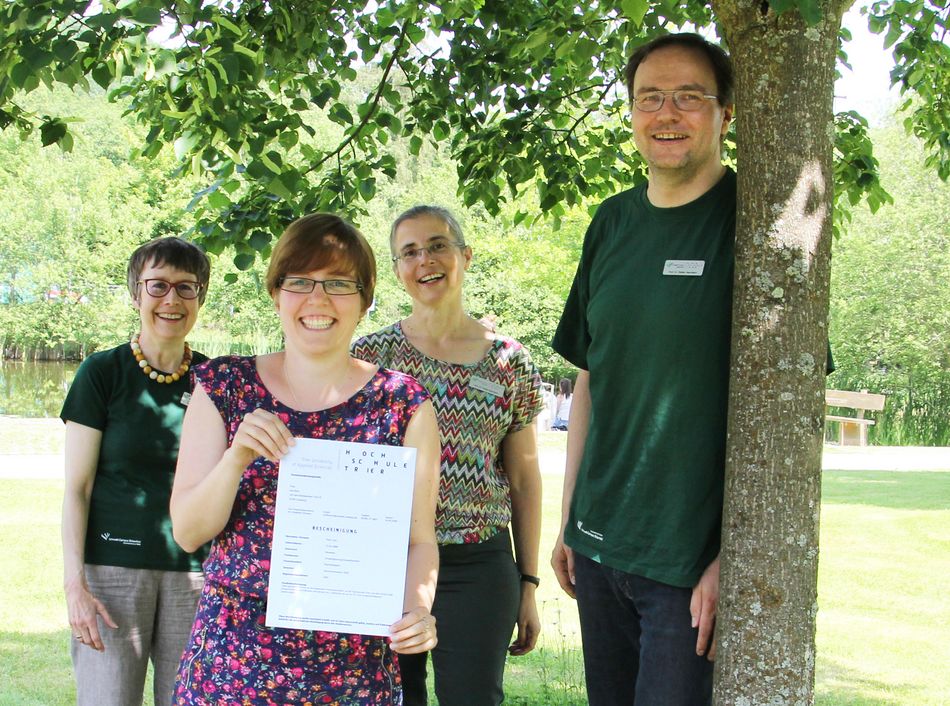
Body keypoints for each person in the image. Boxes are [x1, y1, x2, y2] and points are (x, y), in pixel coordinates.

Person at [169, 213, 441, 705]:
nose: (317, 299)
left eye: (338, 283)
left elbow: (419, 542)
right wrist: (236, 459)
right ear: (276, 293)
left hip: (354, 672)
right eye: (299, 282)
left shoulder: (403, 404)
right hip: (232, 668)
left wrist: (418, 610)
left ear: (364, 300)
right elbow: (188, 531)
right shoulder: (224, 387)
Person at [550, 33, 736, 706]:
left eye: (690, 97)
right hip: (600, 548)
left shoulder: (751, 225)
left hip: (687, 567)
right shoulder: (612, 222)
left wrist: (730, 558)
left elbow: (781, 413)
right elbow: (590, 377)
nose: (667, 112)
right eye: (650, 97)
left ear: (725, 115)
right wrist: (570, 518)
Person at [352, 205, 544, 706]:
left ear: (465, 255)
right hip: (387, 562)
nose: (425, 261)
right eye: (409, 252)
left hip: (478, 563)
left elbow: (523, 480)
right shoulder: (371, 358)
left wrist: (527, 581)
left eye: (437, 245)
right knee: (392, 699)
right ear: (397, 271)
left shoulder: (509, 361)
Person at [60, 237, 212, 706]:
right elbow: (77, 489)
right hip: (111, 573)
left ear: (200, 298)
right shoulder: (101, 373)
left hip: (196, 575)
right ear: (135, 294)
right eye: (158, 286)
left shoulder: (215, 380)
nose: (172, 300)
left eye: (186, 288)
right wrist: (75, 587)